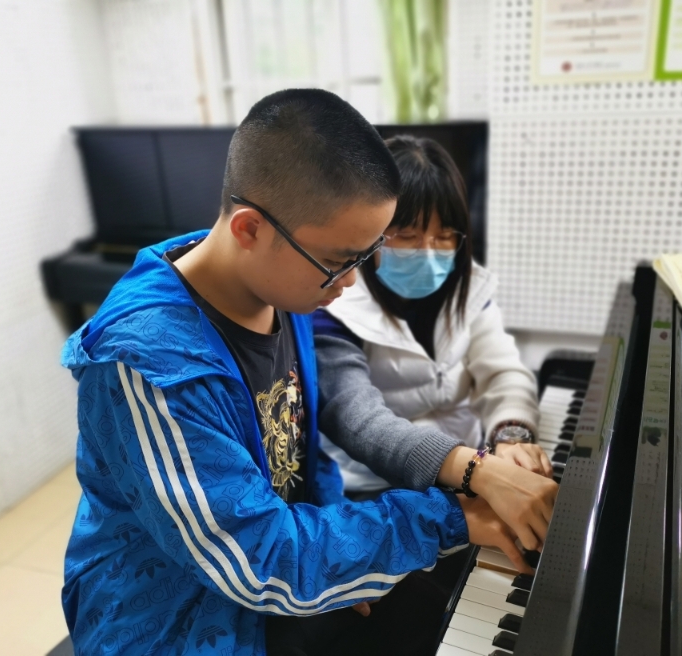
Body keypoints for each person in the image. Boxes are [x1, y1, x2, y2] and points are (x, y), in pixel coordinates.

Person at [60, 89, 557, 656]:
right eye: (339, 260)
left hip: (276, 574)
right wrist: (452, 516)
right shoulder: (148, 363)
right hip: (178, 621)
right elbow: (259, 558)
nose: (351, 282)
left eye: (364, 255)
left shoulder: (280, 286)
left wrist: (337, 571)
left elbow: (301, 460)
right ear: (249, 229)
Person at [315, 134, 549, 500]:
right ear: (370, 233)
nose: (428, 252)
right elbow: (359, 420)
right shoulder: (334, 304)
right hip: (377, 489)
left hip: (471, 473)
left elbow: (502, 372)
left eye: (444, 236)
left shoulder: (468, 288)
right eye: (408, 235)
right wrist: (476, 469)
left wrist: (511, 436)